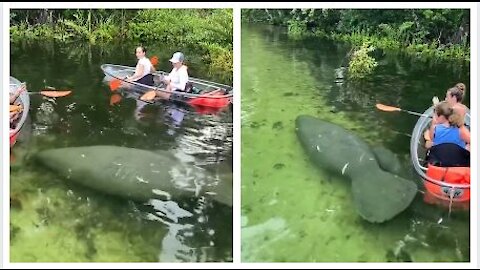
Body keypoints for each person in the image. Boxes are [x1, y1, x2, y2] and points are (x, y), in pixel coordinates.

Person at [425, 101, 470, 167]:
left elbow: (432, 140)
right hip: (457, 164)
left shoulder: (435, 128)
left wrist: (434, 123)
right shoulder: (462, 130)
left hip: (439, 163)